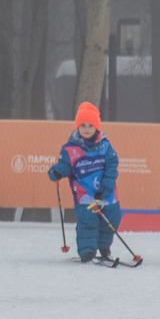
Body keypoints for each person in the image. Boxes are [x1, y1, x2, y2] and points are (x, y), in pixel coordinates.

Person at [47, 102, 121, 262]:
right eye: (83, 125)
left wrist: (107, 186)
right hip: (85, 194)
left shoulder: (105, 146)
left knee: (112, 219)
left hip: (106, 192)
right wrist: (57, 171)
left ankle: (103, 248)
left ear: (97, 127)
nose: (87, 129)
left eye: (90, 125)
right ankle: (88, 251)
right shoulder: (69, 148)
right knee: (88, 221)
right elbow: (64, 165)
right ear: (77, 127)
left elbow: (111, 166)